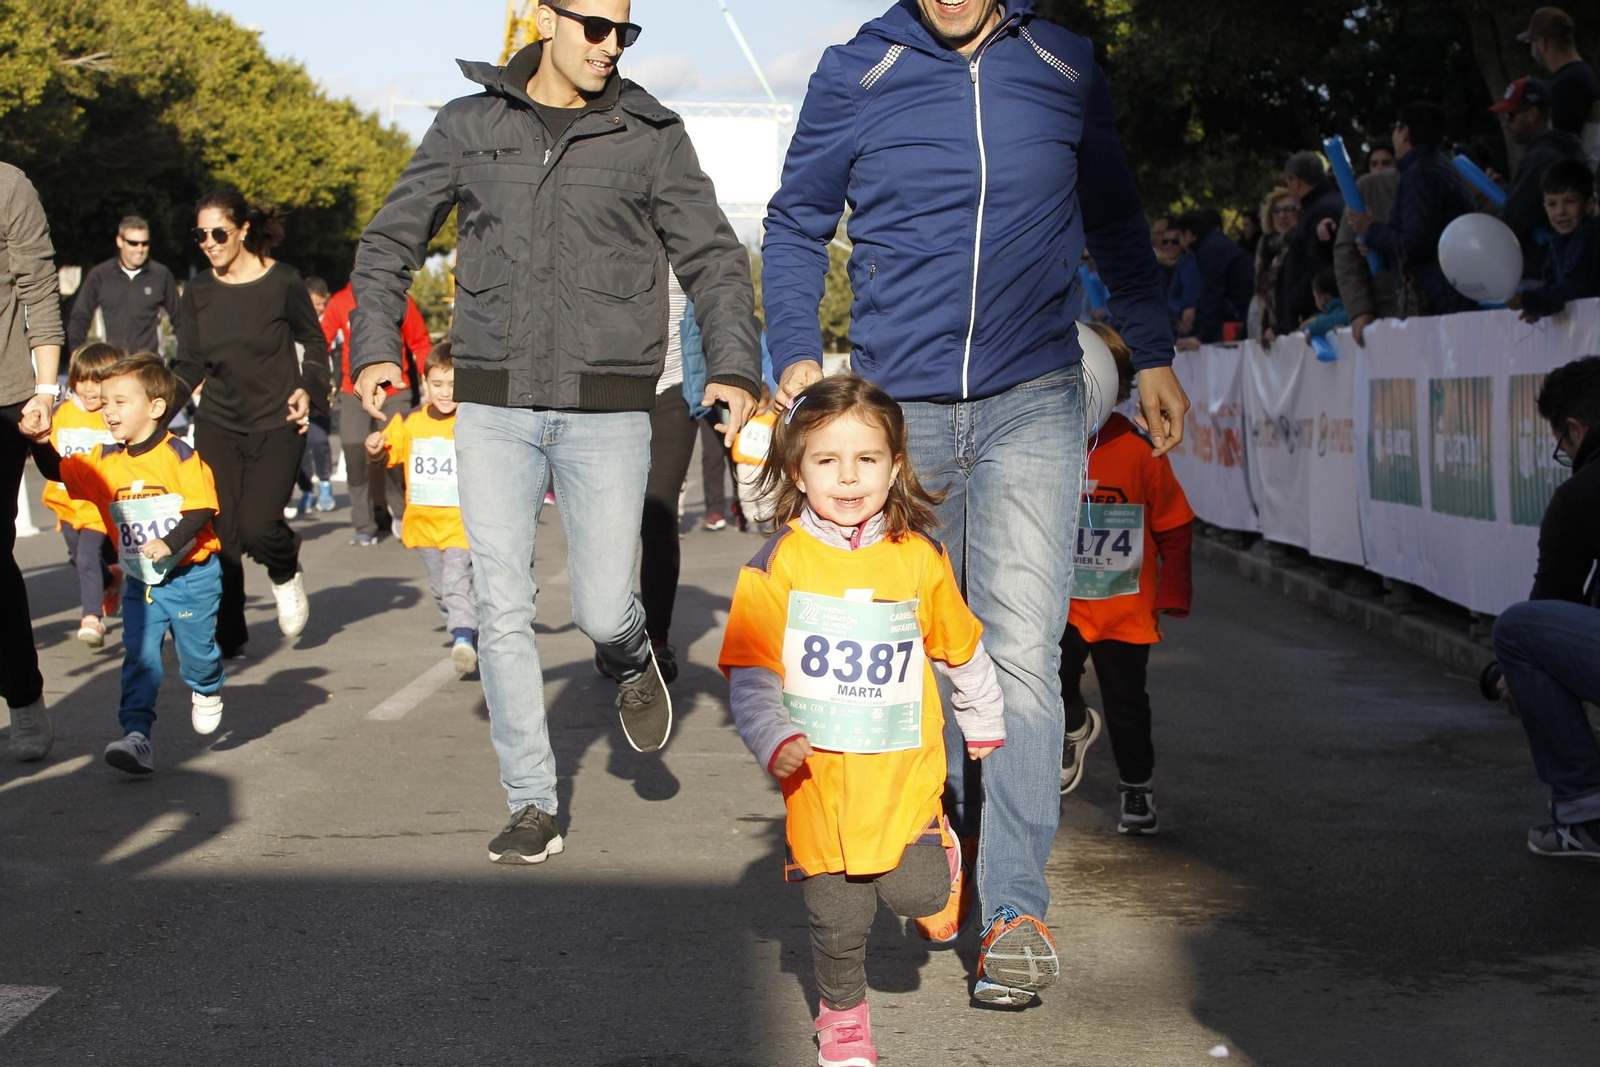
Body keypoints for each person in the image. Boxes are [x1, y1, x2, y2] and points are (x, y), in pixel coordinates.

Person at [762, 0, 1188, 1008]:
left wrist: (1153, 351)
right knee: (913, 655)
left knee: (1020, 659)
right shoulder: (854, 70)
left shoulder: (1063, 62)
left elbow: (1119, 220)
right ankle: (934, 826)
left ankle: (1015, 911)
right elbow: (793, 220)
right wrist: (789, 350)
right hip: (899, 407)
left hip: (1034, 396)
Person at [348, 0, 762, 866]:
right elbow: (388, 241)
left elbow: (715, 258)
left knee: (603, 607)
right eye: (595, 27)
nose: (610, 47)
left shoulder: (650, 132)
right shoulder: (469, 124)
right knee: (502, 604)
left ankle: (628, 648)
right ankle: (532, 799)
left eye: (625, 31)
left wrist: (732, 364)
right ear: (544, 17)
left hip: (609, 409)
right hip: (494, 404)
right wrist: (378, 347)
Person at [718, 374, 1005, 1067]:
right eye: (827, 460)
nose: (848, 478)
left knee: (918, 891)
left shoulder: (919, 558)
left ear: (895, 465)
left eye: (867, 459)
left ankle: (944, 847)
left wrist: (981, 715)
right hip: (819, 781)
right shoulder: (777, 563)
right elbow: (752, 670)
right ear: (797, 469)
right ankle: (843, 1019)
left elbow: (961, 647)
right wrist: (774, 735)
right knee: (837, 919)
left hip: (903, 778)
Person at [31, 356, 226, 775]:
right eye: (104, 403)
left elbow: (202, 509)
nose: (109, 410)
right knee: (139, 656)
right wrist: (36, 438)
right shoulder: (104, 459)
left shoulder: (179, 456)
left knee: (196, 653)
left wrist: (168, 542)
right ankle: (136, 736)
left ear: (155, 407)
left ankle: (207, 686)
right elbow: (59, 471)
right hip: (141, 581)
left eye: (120, 401)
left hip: (190, 575)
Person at [172, 190, 329, 657]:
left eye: (218, 233)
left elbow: (314, 343)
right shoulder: (198, 291)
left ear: (242, 230)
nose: (209, 242)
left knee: (260, 526)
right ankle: (229, 634)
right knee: (220, 534)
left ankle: (284, 570)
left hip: (276, 423)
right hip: (218, 423)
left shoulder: (283, 282)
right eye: (200, 234)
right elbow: (188, 365)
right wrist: (155, 408)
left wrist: (310, 389)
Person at [1057, 324, 1192, 836]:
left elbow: (1175, 524)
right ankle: (1073, 725)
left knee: (1127, 706)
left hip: (1126, 610)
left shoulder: (1139, 452)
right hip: (1065, 604)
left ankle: (1137, 787)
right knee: (1051, 681)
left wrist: (1174, 595)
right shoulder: (1051, 448)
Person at [1490, 355, 1600, 859]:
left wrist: (1503, 673)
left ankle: (1585, 816)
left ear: (1575, 429)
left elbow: (1548, 610)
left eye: (1563, 445)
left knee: (1516, 630)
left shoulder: (1582, 494)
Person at [1, 162, 64, 762]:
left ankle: (23, 699)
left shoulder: (8, 186)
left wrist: (45, 390)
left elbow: (38, 289)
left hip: (3, 394)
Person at [366, 344, 478, 675]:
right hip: (423, 525)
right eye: (438, 384)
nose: (445, 394)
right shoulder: (410, 421)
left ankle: (462, 639)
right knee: (441, 591)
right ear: (424, 383)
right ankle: (475, 633)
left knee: (456, 582)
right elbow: (385, 454)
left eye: (454, 385)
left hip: (462, 525)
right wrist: (374, 450)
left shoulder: (471, 422)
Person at [318, 276, 430, 545]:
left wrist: (433, 384)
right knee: (354, 452)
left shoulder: (401, 300)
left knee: (394, 451)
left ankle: (401, 513)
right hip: (352, 390)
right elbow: (319, 341)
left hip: (394, 390)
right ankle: (363, 524)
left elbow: (420, 343)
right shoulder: (339, 301)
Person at [1348, 102, 1477, 317]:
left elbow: (1415, 244)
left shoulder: (1420, 173)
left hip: (1439, 300)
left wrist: (1370, 229)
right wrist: (1376, 243)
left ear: (1405, 132)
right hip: (1450, 291)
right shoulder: (1438, 166)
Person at [39, 342, 123, 647]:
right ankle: (110, 578)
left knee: (87, 556)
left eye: (97, 381)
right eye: (82, 380)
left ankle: (91, 617)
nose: (89, 389)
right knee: (79, 558)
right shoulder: (63, 413)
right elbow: (46, 448)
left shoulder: (113, 416)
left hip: (97, 506)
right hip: (67, 502)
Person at [1493, 77, 1582, 279]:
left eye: (1511, 115)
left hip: (1543, 272)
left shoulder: (1539, 159)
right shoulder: (1565, 150)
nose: (1507, 124)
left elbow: (1512, 222)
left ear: (1533, 114)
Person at [66, 215, 180, 355]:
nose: (140, 249)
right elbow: (80, 319)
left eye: (145, 243)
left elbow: (180, 321)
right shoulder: (100, 275)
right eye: (133, 243)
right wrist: (76, 354)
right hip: (113, 366)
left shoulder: (161, 275)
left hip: (150, 367)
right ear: (120, 241)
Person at [1270, 151, 1344, 340]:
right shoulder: (1321, 206)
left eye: (1287, 182)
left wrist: (1294, 305)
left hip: (1319, 314)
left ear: (1295, 180)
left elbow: (1316, 263)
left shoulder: (1320, 210)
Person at [1519, 160, 1600, 323]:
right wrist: (1537, 307)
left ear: (1589, 203)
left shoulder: (1589, 236)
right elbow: (1552, 284)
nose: (1561, 211)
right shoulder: (1559, 241)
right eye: (1552, 204)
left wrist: (1528, 300)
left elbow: (1574, 288)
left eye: (1570, 202)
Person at [1332, 164, 1401, 345]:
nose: (1380, 168)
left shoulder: (1451, 175)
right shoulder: (1369, 188)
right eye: (1374, 163)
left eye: (1386, 162)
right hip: (1386, 313)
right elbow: (1347, 254)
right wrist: (1360, 310)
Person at [288, 276, 338, 520]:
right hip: (292, 392)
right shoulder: (288, 322)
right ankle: (306, 489)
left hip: (318, 391)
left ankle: (326, 485)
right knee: (300, 445)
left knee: (318, 440)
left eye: (322, 304)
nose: (319, 308)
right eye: (315, 303)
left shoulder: (329, 322)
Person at [1173, 207, 1253, 348]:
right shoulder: (1216, 245)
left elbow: (1211, 293)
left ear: (1189, 234)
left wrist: (1200, 336)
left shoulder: (1210, 250)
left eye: (1179, 235)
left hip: (1239, 316)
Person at [1520, 7, 1600, 141]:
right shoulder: (1581, 74)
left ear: (1543, 43)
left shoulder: (1567, 83)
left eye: (1531, 42)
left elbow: (1563, 149)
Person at [1249, 187, 1298, 341]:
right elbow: (1261, 292)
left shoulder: (1301, 244)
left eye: (1289, 209)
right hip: (1270, 333)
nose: (1282, 215)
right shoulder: (1265, 246)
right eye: (1276, 211)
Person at [1300, 268, 1351, 338]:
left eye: (1315, 296)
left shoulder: (1344, 312)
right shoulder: (1341, 309)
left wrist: (1312, 325)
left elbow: (1330, 321)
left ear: (1322, 297)